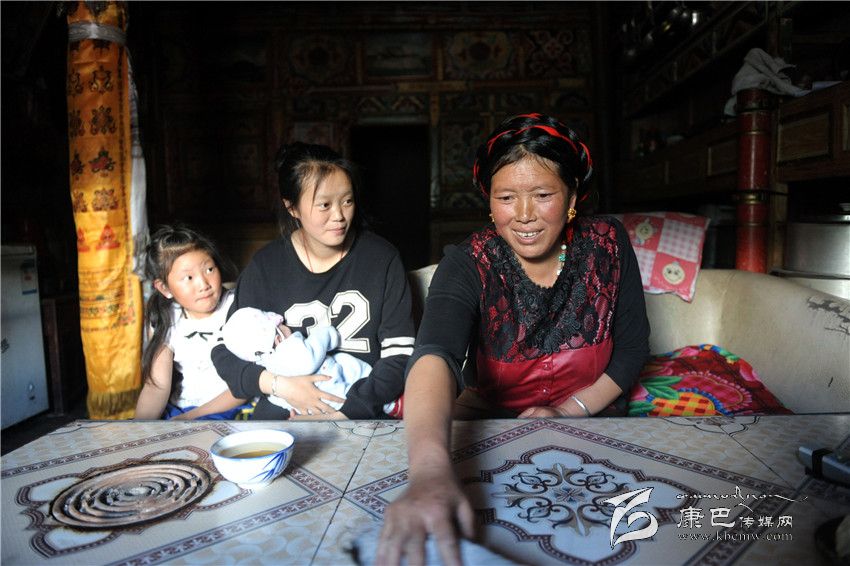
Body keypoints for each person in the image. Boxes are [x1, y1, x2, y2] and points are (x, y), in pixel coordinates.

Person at [376, 113, 650, 565]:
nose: (523, 215)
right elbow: (434, 354)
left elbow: (632, 349)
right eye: (506, 197)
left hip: (594, 421)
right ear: (489, 201)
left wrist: (567, 411)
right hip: (495, 428)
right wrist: (428, 472)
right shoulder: (468, 262)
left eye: (543, 195)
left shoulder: (607, 245)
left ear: (572, 197)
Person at [211, 142, 415, 420]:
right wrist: (280, 386)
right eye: (324, 205)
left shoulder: (382, 259)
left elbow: (400, 355)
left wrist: (348, 411)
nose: (339, 216)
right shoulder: (265, 266)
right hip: (285, 403)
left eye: (347, 201)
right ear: (292, 207)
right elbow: (224, 352)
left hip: (362, 408)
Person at [134, 225, 250, 420]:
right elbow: (157, 387)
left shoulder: (237, 307)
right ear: (164, 288)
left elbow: (245, 384)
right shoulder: (168, 317)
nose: (203, 284)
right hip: (182, 409)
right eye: (188, 277)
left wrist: (188, 419)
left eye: (209, 269)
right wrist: (139, 429)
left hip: (229, 408)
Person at [221, 307, 401, 416]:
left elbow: (279, 399)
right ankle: (389, 404)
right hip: (333, 385)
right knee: (355, 374)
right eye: (282, 325)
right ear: (278, 337)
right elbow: (311, 354)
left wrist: (296, 411)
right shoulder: (292, 348)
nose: (287, 327)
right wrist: (328, 334)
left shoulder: (266, 367)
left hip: (316, 408)